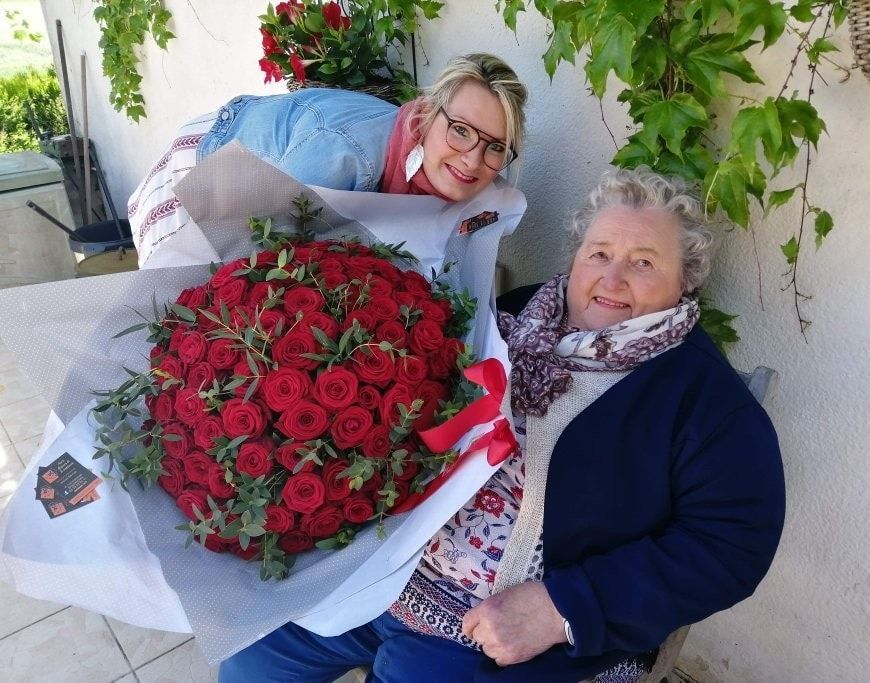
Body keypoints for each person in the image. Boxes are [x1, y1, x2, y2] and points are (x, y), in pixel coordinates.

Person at [218, 167, 786, 682]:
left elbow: (730, 547)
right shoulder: (514, 314)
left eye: (643, 262)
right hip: (389, 577)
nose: (612, 279)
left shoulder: (704, 399)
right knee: (249, 665)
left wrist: (564, 606)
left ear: (685, 280)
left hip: (501, 633)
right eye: (598, 253)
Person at [129, 52, 527, 267]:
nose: (473, 160)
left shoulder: (453, 169)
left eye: (495, 146)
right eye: (460, 130)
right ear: (426, 114)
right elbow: (244, 247)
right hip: (210, 161)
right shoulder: (343, 159)